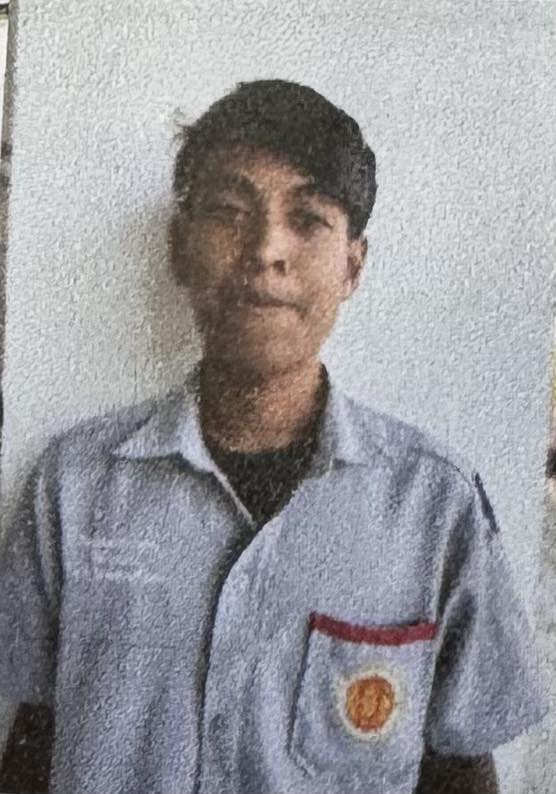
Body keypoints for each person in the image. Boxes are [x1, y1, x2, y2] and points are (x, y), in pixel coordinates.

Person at [0, 79, 547, 794]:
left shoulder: (434, 506)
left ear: (353, 265)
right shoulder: (75, 486)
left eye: (309, 218)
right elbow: (33, 738)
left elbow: (459, 764)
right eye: (230, 212)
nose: (265, 250)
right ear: (178, 247)